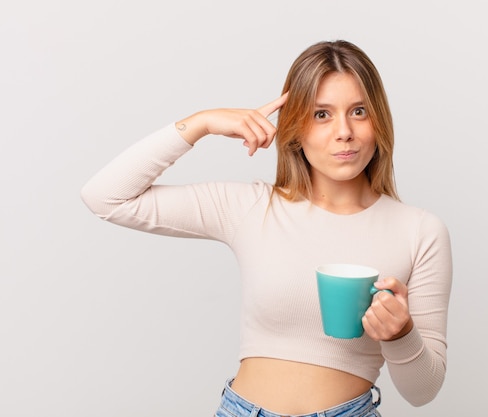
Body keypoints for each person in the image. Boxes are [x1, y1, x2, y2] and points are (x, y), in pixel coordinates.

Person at [81, 40, 453, 417]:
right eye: (321, 114)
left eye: (358, 111)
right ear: (295, 128)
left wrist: (401, 335)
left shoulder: (419, 232)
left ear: (379, 121)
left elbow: (423, 391)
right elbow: (105, 197)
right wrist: (202, 123)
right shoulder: (251, 208)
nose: (344, 132)